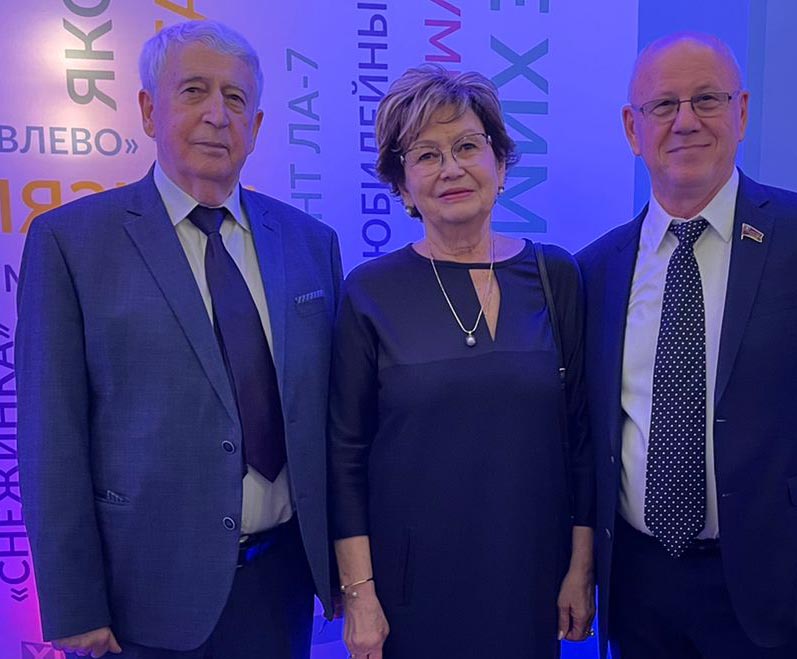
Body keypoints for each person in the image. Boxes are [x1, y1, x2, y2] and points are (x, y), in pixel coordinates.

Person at [16, 20, 341, 659]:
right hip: (141, 599)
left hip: (281, 588)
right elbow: (51, 437)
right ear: (147, 110)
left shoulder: (311, 243)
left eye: (236, 98)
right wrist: (74, 601)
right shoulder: (71, 242)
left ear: (257, 125)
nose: (218, 114)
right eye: (194, 90)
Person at [577, 32, 797, 659]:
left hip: (780, 589)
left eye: (707, 99)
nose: (686, 121)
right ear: (632, 128)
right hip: (639, 593)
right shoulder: (597, 268)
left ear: (742, 112)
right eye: (663, 105)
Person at [329, 64, 595, 659]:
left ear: (500, 164)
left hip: (530, 579)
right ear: (402, 186)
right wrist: (360, 594)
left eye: (468, 147)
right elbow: (344, 457)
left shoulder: (556, 276)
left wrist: (581, 567)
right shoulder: (369, 291)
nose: (450, 168)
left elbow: (582, 438)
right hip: (409, 590)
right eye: (426, 155)